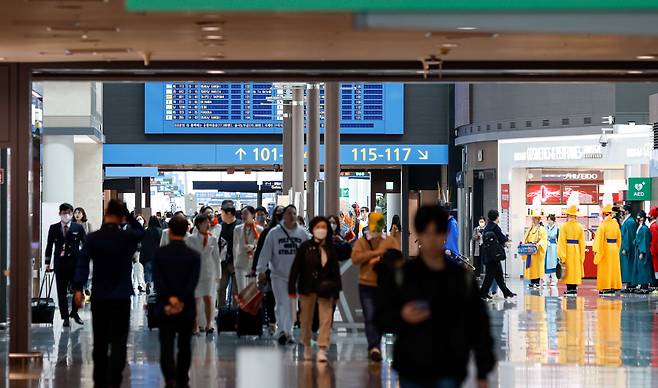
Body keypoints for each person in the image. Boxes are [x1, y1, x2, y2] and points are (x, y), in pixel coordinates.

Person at [389, 205, 495, 388]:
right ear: (419, 234)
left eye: (436, 232)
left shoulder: (461, 278)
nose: (431, 239)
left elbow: (479, 325)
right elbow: (382, 315)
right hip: (411, 365)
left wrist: (482, 371)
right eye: (426, 232)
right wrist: (401, 315)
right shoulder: (404, 275)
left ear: (444, 234)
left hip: (449, 365)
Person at [73, 199, 144, 387]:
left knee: (101, 340)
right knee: (119, 341)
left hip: (100, 296)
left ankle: (99, 381)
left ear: (106, 213)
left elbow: (82, 263)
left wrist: (78, 288)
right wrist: (128, 215)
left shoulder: (94, 238)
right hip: (121, 296)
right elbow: (140, 231)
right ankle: (115, 380)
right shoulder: (127, 237)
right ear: (121, 216)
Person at [153, 215, 201, 388]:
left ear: (170, 231)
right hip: (186, 306)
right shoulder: (194, 256)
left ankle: (169, 378)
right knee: (185, 344)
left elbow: (158, 280)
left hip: (165, 306)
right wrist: (180, 300)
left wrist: (170, 299)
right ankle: (182, 377)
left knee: (166, 344)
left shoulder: (160, 254)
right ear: (187, 230)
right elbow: (192, 282)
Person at [288, 216, 342, 363]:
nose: (321, 230)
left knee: (326, 319)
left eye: (324, 227)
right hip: (307, 287)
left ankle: (323, 348)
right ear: (312, 229)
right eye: (318, 227)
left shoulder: (330, 248)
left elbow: (335, 271)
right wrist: (292, 287)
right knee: (306, 319)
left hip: (326, 289)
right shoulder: (305, 247)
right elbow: (296, 268)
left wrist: (337, 291)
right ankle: (306, 345)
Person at [257, 204, 309, 345]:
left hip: (295, 277)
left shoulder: (302, 233)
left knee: (292, 305)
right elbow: (265, 253)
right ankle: (281, 331)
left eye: (294, 213)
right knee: (281, 303)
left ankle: (289, 331)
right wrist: (261, 270)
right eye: (289, 213)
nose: (291, 216)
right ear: (284, 216)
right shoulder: (274, 233)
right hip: (278, 275)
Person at [351, 212, 400, 362]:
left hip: (385, 285)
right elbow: (355, 259)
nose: (376, 231)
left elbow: (398, 259)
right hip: (366, 284)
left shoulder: (390, 241)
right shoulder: (362, 242)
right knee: (370, 315)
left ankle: (376, 344)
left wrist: (383, 259)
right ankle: (374, 346)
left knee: (380, 316)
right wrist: (374, 254)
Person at [45, 202, 86, 327]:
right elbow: (49, 246)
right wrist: (47, 263)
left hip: (75, 264)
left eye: (69, 213)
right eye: (64, 213)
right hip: (60, 264)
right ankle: (65, 317)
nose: (66, 215)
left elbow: (86, 244)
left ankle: (74, 312)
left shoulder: (78, 228)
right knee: (61, 292)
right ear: (59, 214)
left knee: (78, 290)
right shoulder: (54, 228)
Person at [186, 214, 221, 335]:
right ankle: (194, 325)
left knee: (208, 298)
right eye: (205, 223)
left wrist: (219, 275)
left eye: (208, 223)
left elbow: (216, 258)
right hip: (194, 273)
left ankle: (209, 324)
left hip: (208, 273)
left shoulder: (213, 239)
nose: (208, 225)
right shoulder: (190, 239)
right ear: (199, 224)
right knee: (195, 300)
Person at [479, 209, 516, 301]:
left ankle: (507, 293)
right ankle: (482, 294)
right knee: (489, 276)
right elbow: (502, 238)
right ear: (496, 217)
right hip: (494, 256)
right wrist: (507, 241)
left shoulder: (487, 227)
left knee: (499, 275)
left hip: (488, 255)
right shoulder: (495, 227)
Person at [592, 194, 622, 295]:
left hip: (605, 248)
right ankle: (614, 286)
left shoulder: (603, 225)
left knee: (605, 269)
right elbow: (619, 238)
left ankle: (605, 287)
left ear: (604, 214)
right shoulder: (616, 224)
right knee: (614, 268)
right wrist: (617, 248)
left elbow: (599, 239)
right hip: (614, 248)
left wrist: (596, 251)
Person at [557, 192, 586, 296]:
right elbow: (583, 243)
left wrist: (562, 256)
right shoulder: (580, 227)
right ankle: (574, 288)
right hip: (577, 250)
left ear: (568, 214)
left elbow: (561, 242)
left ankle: (569, 289)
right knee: (575, 269)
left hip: (568, 250)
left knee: (568, 270)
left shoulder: (564, 226)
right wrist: (582, 255)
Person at [233, 206, 263, 292]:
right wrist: (235, 263)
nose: (243, 216)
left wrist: (254, 247)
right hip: (240, 263)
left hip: (253, 264)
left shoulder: (259, 229)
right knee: (242, 291)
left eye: (246, 214)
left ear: (253, 215)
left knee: (252, 291)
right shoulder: (237, 229)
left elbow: (262, 247)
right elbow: (235, 247)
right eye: (242, 214)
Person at [217, 202, 240, 308]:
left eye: (222, 213)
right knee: (221, 289)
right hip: (223, 263)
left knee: (236, 291)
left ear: (229, 213)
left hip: (237, 263)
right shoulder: (220, 227)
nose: (221, 215)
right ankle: (222, 312)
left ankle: (235, 314)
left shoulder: (240, 226)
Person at [522, 202, 547, 289]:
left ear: (539, 219)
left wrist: (538, 244)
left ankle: (536, 281)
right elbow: (526, 237)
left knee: (537, 267)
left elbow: (544, 239)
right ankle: (532, 282)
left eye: (535, 218)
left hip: (537, 251)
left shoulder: (542, 229)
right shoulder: (530, 228)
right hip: (530, 250)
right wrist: (524, 243)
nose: (533, 219)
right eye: (533, 218)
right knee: (531, 266)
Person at [632, 211, 653, 294]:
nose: (637, 218)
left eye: (639, 217)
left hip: (642, 251)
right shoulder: (641, 227)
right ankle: (642, 285)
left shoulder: (644, 229)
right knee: (640, 269)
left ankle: (645, 287)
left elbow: (644, 241)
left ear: (642, 218)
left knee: (644, 268)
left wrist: (642, 252)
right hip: (639, 249)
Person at [141, 216, 163, 294]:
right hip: (157, 255)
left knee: (148, 271)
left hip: (147, 255)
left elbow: (143, 244)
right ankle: (155, 286)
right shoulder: (160, 231)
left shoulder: (146, 231)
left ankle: (148, 283)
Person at [620, 204, 638, 292]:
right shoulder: (628, 221)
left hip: (628, 248)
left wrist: (625, 248)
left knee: (628, 265)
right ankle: (629, 284)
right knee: (628, 265)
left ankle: (630, 285)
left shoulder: (629, 222)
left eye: (622, 210)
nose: (621, 212)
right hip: (627, 246)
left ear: (626, 211)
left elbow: (628, 236)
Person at [544, 214, 559, 285]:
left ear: (554, 221)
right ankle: (545, 280)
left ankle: (554, 280)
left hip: (553, 247)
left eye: (551, 220)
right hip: (546, 246)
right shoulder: (545, 228)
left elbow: (559, 240)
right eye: (548, 220)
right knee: (545, 263)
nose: (549, 221)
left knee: (553, 263)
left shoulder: (557, 229)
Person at [650, 207, 658, 282]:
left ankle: (655, 284)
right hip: (655, 250)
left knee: (655, 267)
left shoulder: (653, 227)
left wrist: (652, 251)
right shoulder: (654, 226)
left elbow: (654, 240)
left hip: (654, 251)